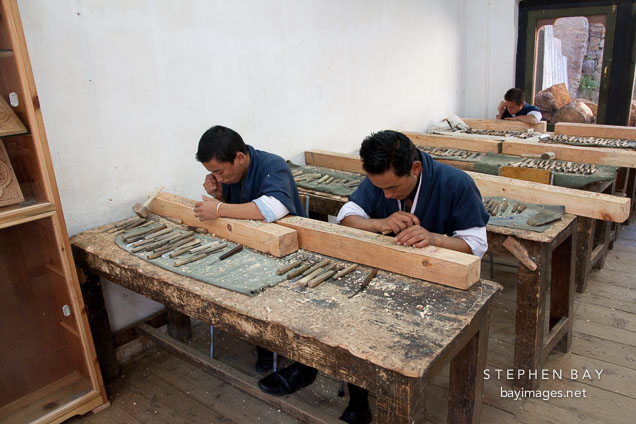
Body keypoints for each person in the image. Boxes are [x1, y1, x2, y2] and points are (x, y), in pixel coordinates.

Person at [333, 130, 490, 423]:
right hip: (384, 275)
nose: (386, 195)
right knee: (354, 319)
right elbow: (346, 217)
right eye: (380, 188)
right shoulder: (379, 180)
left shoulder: (456, 183)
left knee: (408, 351)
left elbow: (477, 245)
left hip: (438, 283)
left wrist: (434, 238)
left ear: (415, 168)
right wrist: (379, 222)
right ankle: (359, 400)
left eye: (393, 188)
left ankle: (405, 398)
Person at [194, 125, 308, 374]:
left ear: (240, 157)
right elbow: (240, 210)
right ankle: (265, 347)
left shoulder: (272, 165)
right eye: (213, 173)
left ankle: (300, 359)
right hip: (254, 248)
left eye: (219, 171)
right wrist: (221, 195)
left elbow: (272, 208)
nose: (219, 177)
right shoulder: (233, 176)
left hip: (291, 251)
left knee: (282, 301)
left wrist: (218, 209)